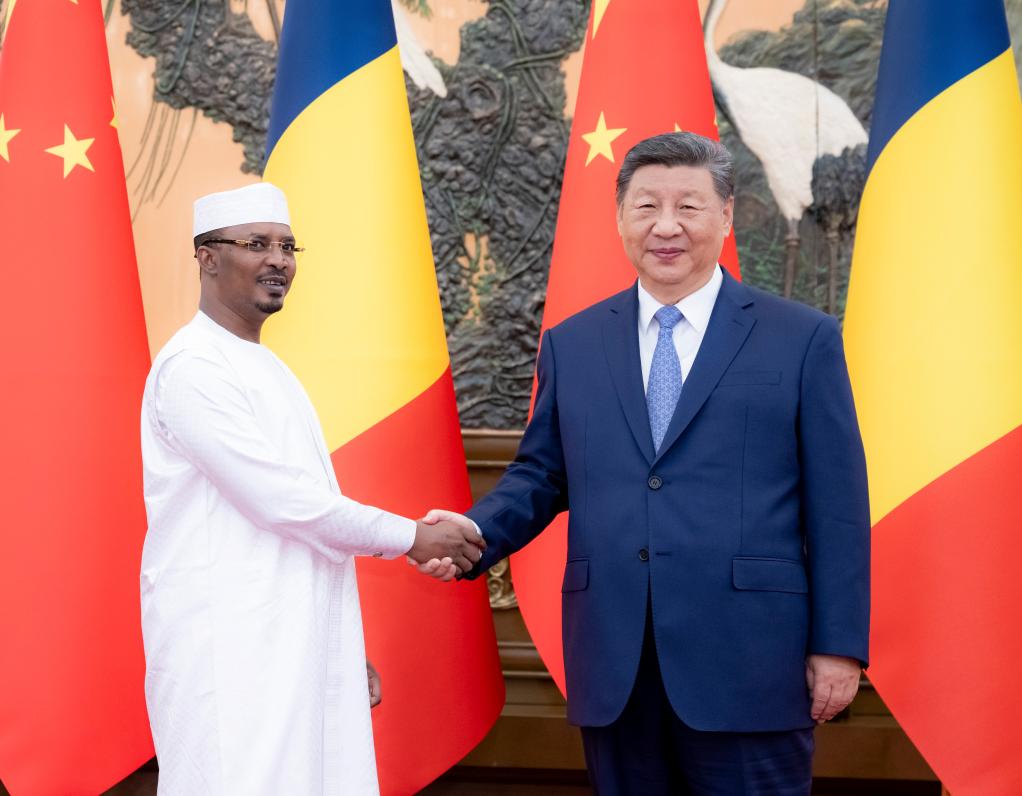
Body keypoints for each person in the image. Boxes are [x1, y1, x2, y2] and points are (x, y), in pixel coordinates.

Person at [426, 133, 870, 795]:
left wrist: (838, 646)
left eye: (688, 206)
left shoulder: (801, 339)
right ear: (620, 219)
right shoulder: (573, 345)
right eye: (646, 207)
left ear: (724, 217)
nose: (666, 226)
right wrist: (474, 535)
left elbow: (837, 507)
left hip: (750, 663)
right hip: (616, 663)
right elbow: (541, 475)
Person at [139, 182, 478, 795]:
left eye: (287, 246)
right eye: (256, 244)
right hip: (230, 652)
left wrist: (337, 645)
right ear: (207, 257)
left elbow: (301, 534)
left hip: (290, 647)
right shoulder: (193, 368)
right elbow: (283, 503)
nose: (279, 260)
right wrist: (412, 537)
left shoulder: (265, 366)